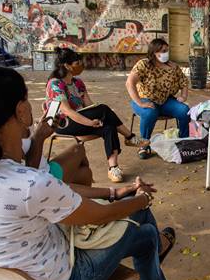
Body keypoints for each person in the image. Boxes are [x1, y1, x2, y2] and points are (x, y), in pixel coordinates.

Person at [0, 61, 205, 280]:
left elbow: (43, 191)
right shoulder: (30, 185)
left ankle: (155, 252)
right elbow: (95, 215)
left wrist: (39, 139)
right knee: (145, 231)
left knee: (137, 220)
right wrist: (139, 199)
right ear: (22, 110)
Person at [45, 47, 147, 183]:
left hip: (80, 120)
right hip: (64, 124)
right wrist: (90, 122)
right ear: (67, 65)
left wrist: (96, 117)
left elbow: (89, 105)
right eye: (77, 63)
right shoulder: (55, 84)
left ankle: (113, 168)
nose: (80, 65)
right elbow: (67, 112)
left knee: (109, 127)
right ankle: (129, 137)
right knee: (103, 109)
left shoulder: (78, 83)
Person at [126, 39, 191, 159]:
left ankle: (183, 142)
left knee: (184, 110)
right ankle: (144, 145)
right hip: (144, 100)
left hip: (165, 101)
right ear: (154, 52)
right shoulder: (144, 64)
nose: (166, 53)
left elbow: (184, 82)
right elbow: (129, 83)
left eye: (167, 50)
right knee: (150, 112)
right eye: (162, 51)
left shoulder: (172, 67)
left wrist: (183, 96)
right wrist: (140, 102)